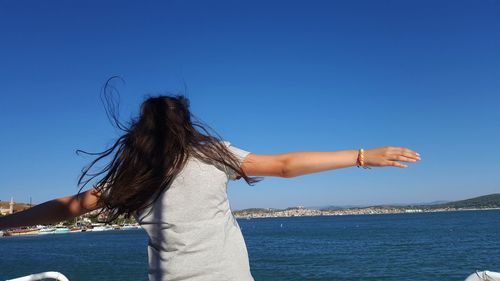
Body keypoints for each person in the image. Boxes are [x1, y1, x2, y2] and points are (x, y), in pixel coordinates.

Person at [0, 93, 420, 281]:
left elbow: (69, 206)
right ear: (185, 124)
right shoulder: (211, 153)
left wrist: (8, 222)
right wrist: (362, 156)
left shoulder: (130, 174)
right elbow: (285, 166)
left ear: (138, 132)